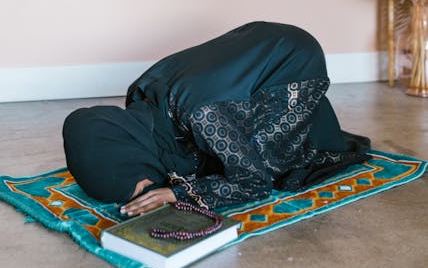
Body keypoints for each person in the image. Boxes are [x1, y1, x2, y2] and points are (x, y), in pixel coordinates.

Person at [63, 22, 370, 216]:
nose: (146, 188)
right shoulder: (141, 100)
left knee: (267, 163)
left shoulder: (203, 115)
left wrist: (178, 192)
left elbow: (254, 183)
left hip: (292, 55)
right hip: (255, 39)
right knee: (217, 151)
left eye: (137, 186)